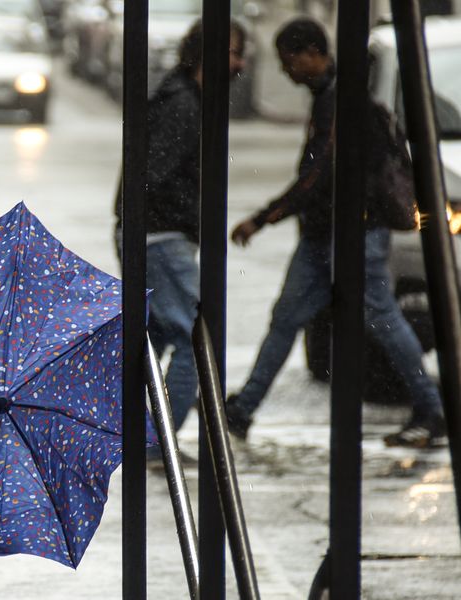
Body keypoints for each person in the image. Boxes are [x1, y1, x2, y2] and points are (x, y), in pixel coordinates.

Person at [225, 17, 446, 448]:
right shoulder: (331, 97)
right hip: (326, 234)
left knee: (380, 318)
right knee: (288, 318)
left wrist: (266, 216)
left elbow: (318, 177)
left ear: (313, 54)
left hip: (354, 234)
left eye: (291, 61)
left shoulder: (341, 101)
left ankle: (431, 407)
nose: (289, 72)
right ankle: (242, 408)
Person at [113, 20, 246, 448]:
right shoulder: (183, 105)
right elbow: (152, 176)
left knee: (157, 337)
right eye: (233, 52)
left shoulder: (183, 98)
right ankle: (159, 443)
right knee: (194, 338)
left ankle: (146, 435)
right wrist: (190, 217)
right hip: (161, 237)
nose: (239, 63)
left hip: (156, 235)